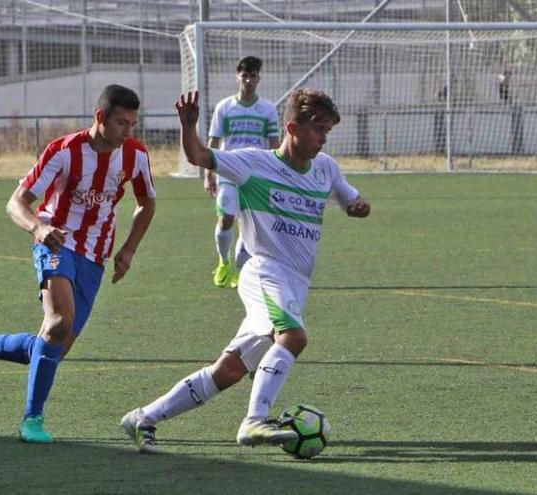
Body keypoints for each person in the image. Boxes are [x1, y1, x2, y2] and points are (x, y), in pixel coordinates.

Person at [120, 88, 371, 454]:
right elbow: (199, 155)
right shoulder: (254, 163)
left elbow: (348, 197)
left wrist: (357, 206)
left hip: (296, 282)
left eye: (328, 131)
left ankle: (143, 418)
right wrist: (189, 126)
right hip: (264, 271)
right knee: (294, 337)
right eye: (318, 129)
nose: (323, 138)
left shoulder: (325, 168)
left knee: (230, 370)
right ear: (292, 128)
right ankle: (254, 420)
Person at [0, 84, 157, 443]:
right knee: (59, 322)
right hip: (56, 242)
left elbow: (146, 203)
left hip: (94, 256)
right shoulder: (64, 151)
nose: (128, 132)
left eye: (133, 124)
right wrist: (39, 227)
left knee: (52, 346)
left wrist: (128, 248)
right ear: (100, 117)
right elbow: (16, 202)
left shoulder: (135, 155)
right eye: (121, 123)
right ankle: (31, 420)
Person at [205, 56, 281, 288]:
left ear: (259, 78)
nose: (248, 80)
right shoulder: (225, 107)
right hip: (228, 169)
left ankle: (239, 270)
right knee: (226, 218)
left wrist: (277, 174)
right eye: (244, 75)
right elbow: (214, 142)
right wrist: (208, 174)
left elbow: (275, 144)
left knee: (250, 225)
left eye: (253, 75)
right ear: (237, 77)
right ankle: (223, 261)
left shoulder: (267, 109)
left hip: (256, 174)